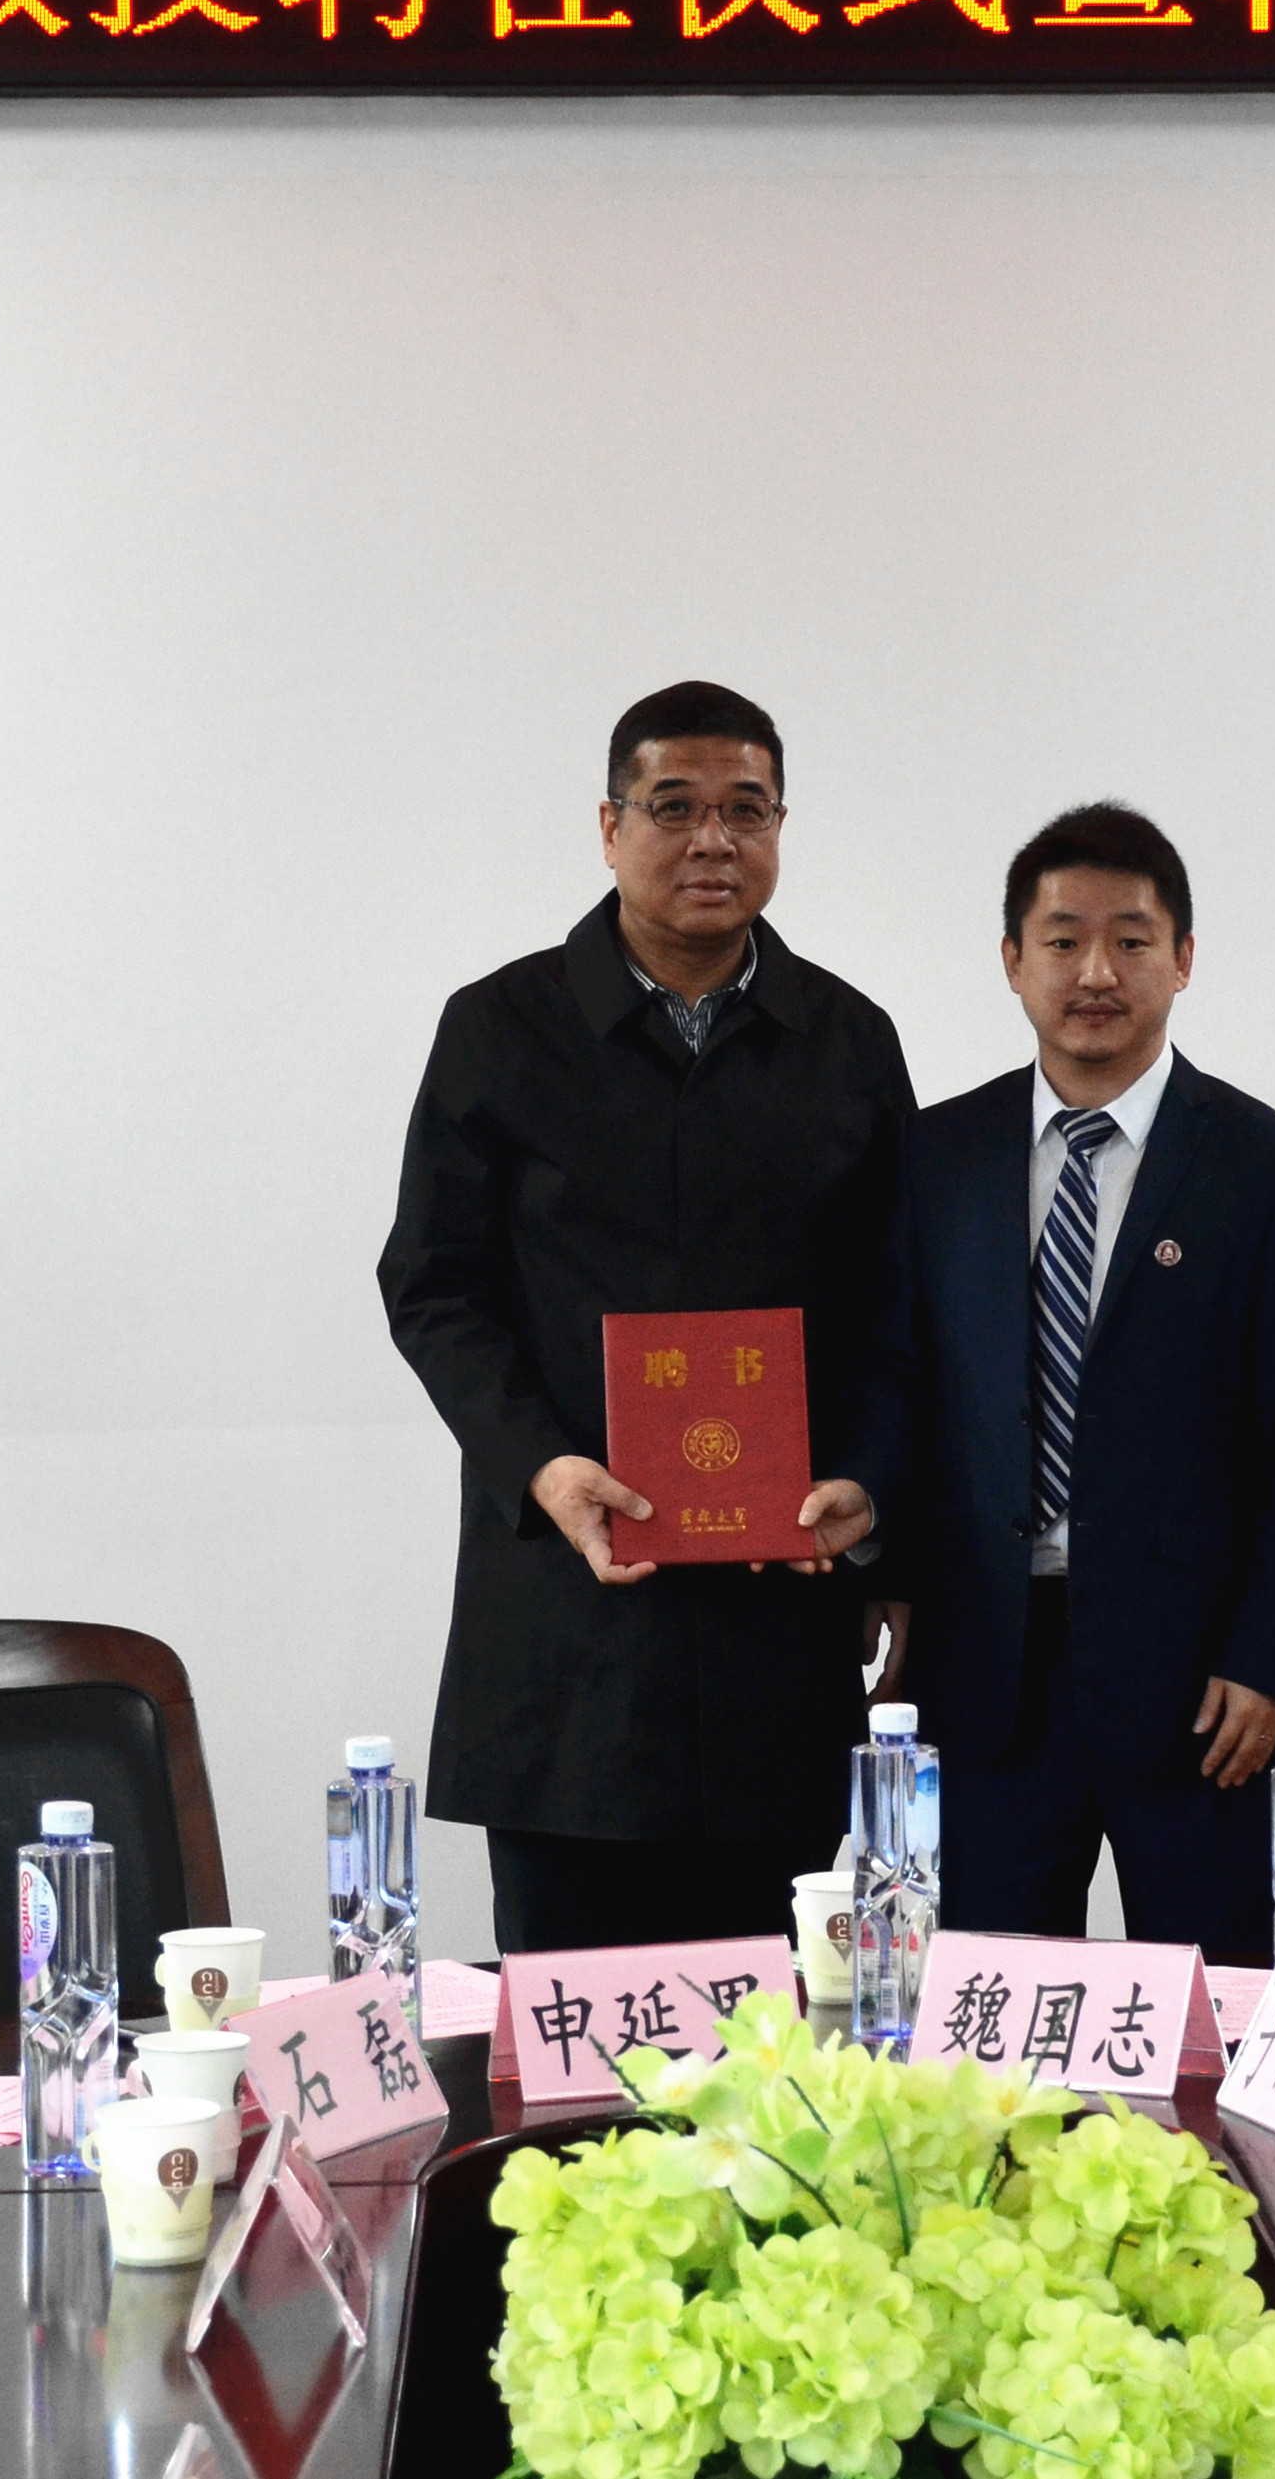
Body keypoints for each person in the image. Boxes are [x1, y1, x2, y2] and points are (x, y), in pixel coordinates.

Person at [381, 682, 915, 1956]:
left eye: (747, 810)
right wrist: (540, 1466)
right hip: (568, 1622)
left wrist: (874, 1497)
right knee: (574, 2039)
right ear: (610, 826)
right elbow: (433, 1286)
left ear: (780, 828)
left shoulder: (847, 1041)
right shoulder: (500, 1029)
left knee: (782, 2039)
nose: (712, 841)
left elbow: (899, 1312)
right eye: (674, 808)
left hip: (778, 1625)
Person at [847, 803, 1275, 1967]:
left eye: (1131, 941)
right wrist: (884, 1562)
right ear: (1011, 960)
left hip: (1199, 1688)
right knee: (982, 2021)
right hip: (985, 1673)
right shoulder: (938, 1157)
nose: (1095, 972)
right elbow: (902, 1382)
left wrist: (1272, 1659)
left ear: (1183, 959)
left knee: (1214, 2014)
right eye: (1063, 939)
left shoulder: (1270, 1166)